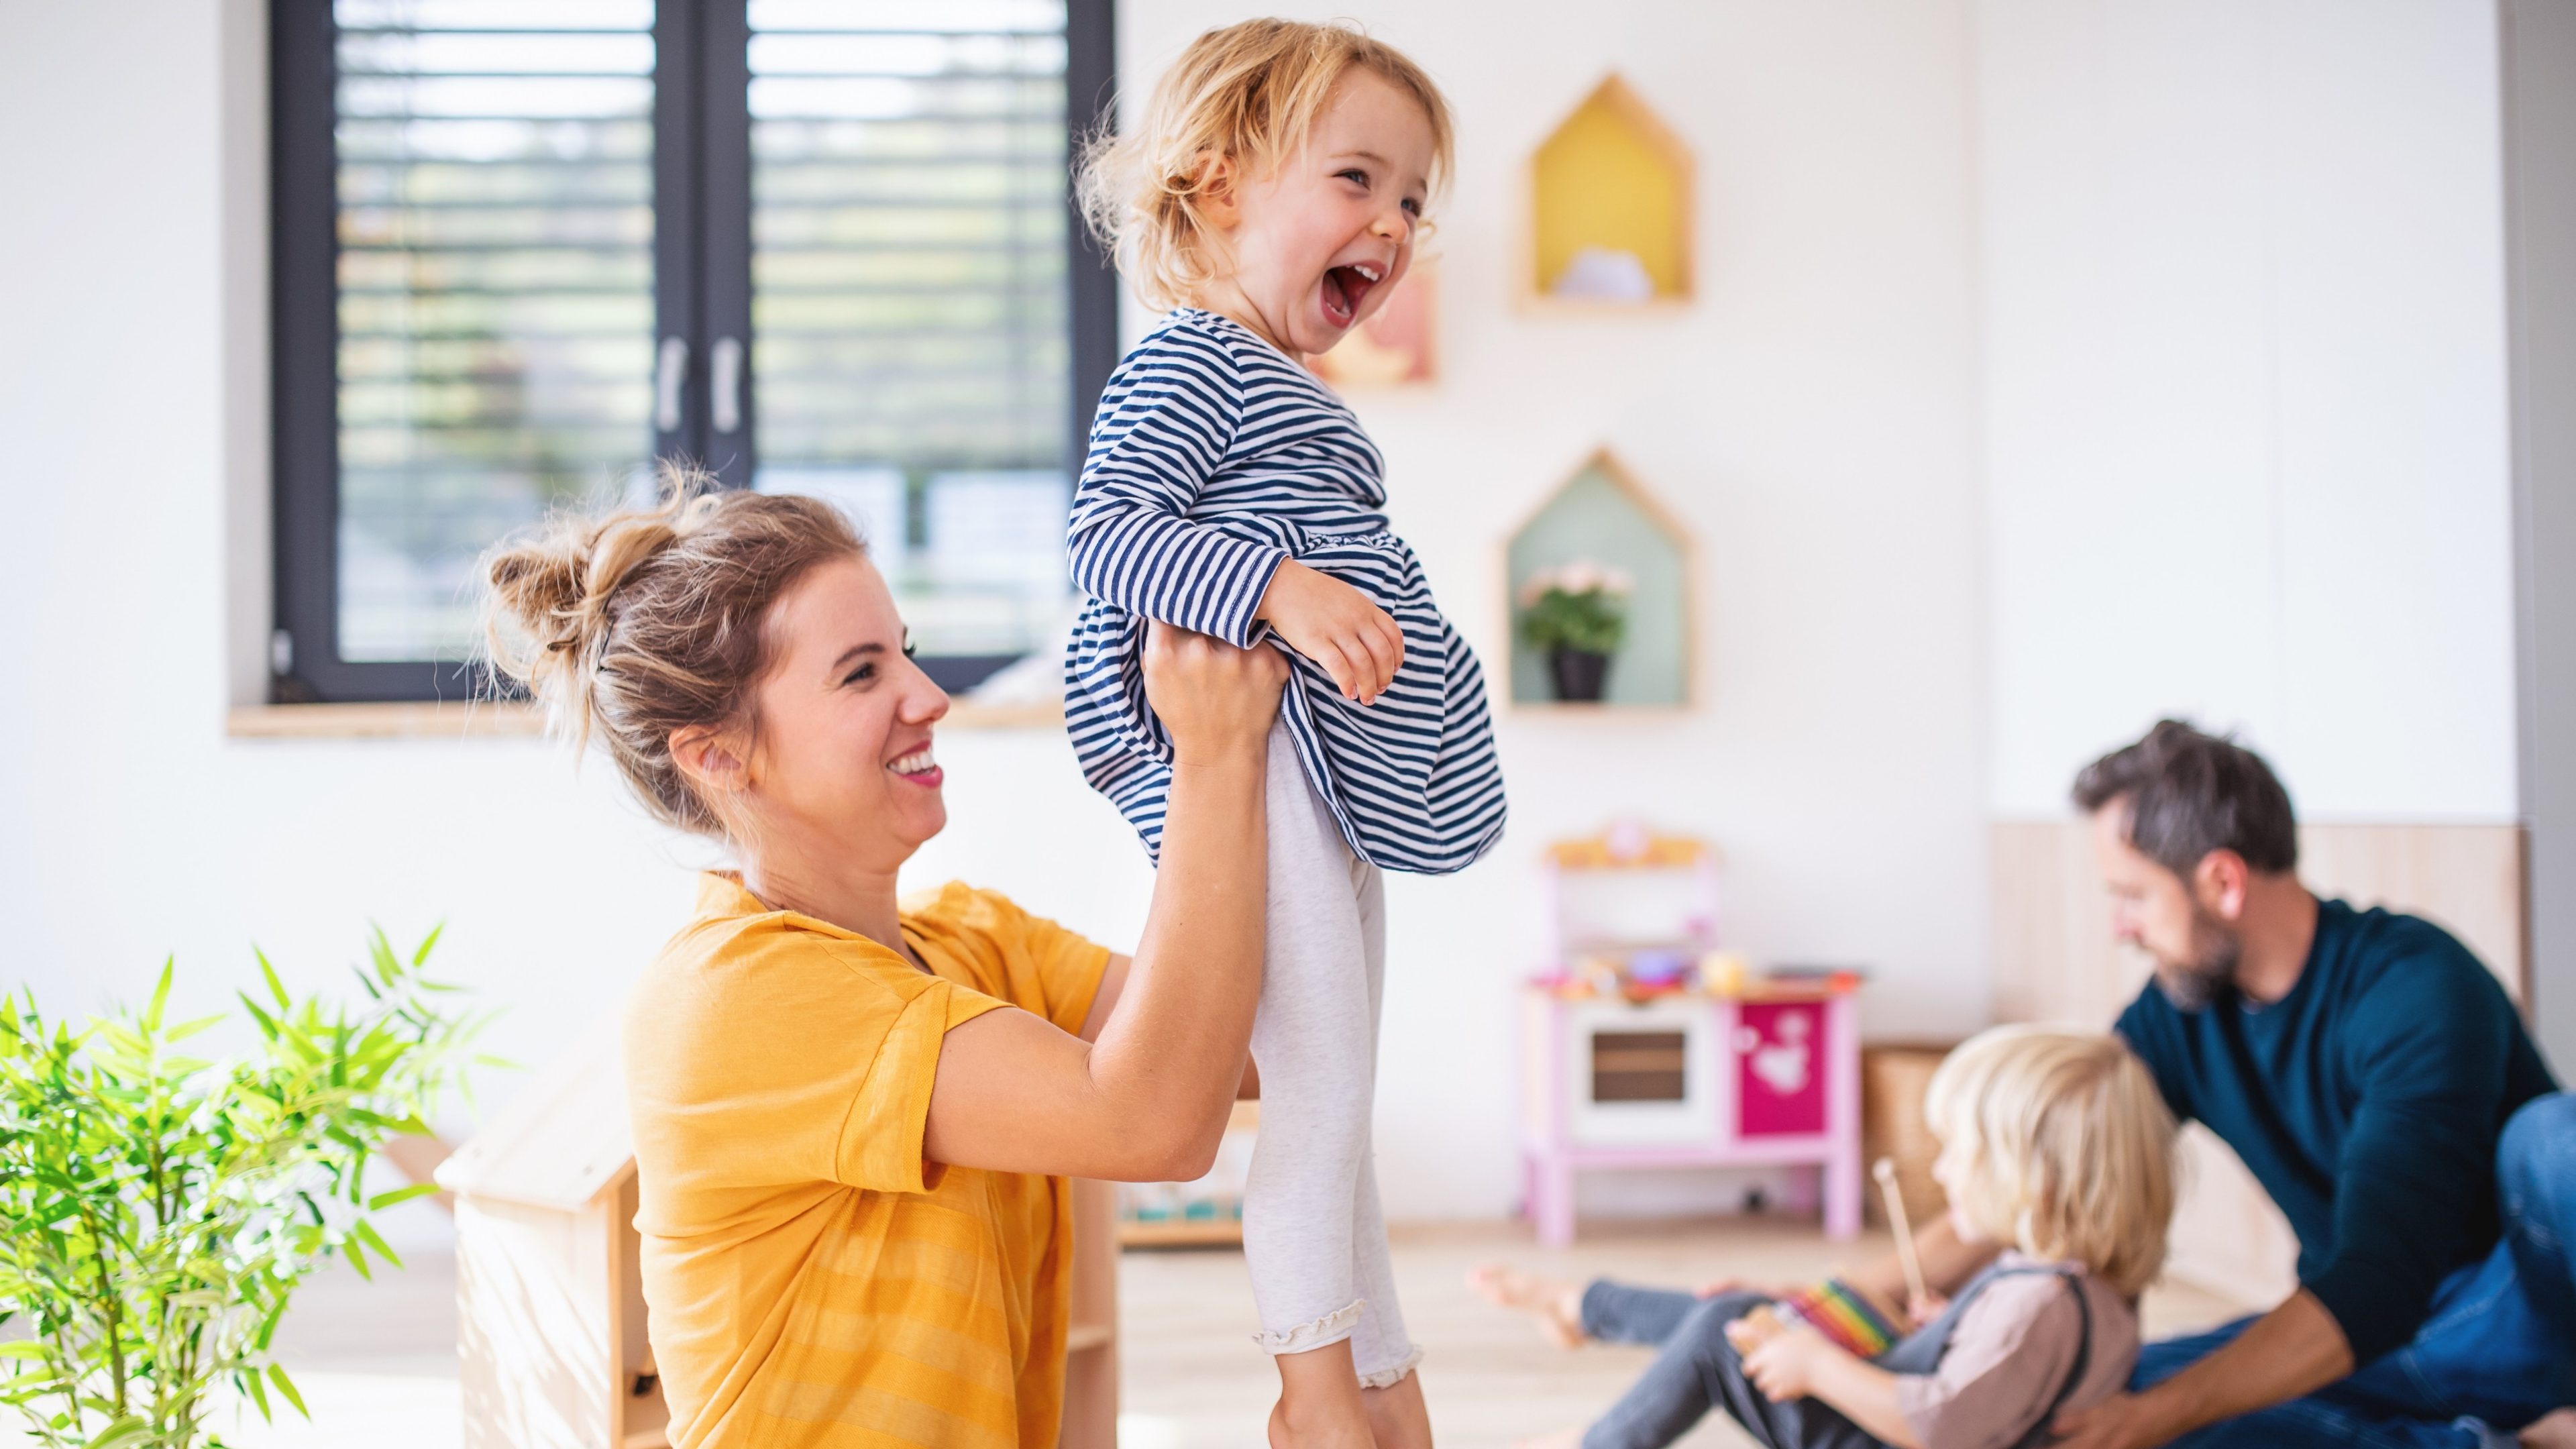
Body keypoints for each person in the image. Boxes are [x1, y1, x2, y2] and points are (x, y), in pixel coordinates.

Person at [478, 476, 1287, 1449]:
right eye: (862, 674)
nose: (929, 696)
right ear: (720, 758)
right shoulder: (735, 998)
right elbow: (1156, 1122)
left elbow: (1248, 1050)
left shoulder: (970, 942)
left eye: (906, 651)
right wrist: (1213, 759)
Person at [1064, 19, 1505, 1449]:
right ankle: (1312, 1394)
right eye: (1358, 178)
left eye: (1414, 199)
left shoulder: (1287, 387)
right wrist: (1273, 583)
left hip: (1308, 759)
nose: (1394, 222)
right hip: (1248, 756)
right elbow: (1107, 538)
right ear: (1217, 189)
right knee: (1313, 1086)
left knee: (1341, 1082)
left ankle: (1379, 1378)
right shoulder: (1189, 360)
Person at [2039, 720, 2575, 1449]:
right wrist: (1871, 1304)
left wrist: (2162, 1416)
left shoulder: (2416, 988)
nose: (2120, 928)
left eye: (2132, 896)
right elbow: (2046, 1154)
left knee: (2553, 1140)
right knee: (2088, 1399)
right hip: (2366, 1346)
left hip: (2503, 1320)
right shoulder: (2180, 1007)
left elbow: (2376, 1284)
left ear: (2223, 883)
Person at [1474, 1026, 2178, 1449]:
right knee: (1753, 1313)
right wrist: (1945, 1328)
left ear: (2039, 1181)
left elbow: (1939, 1427)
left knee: (1726, 1328)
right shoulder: (2084, 1290)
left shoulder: (2038, 1305)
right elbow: (2012, 1390)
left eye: (1962, 1152)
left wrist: (1817, 1368)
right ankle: (1582, 1308)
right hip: (1888, 1408)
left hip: (1874, 1438)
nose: (1940, 1168)